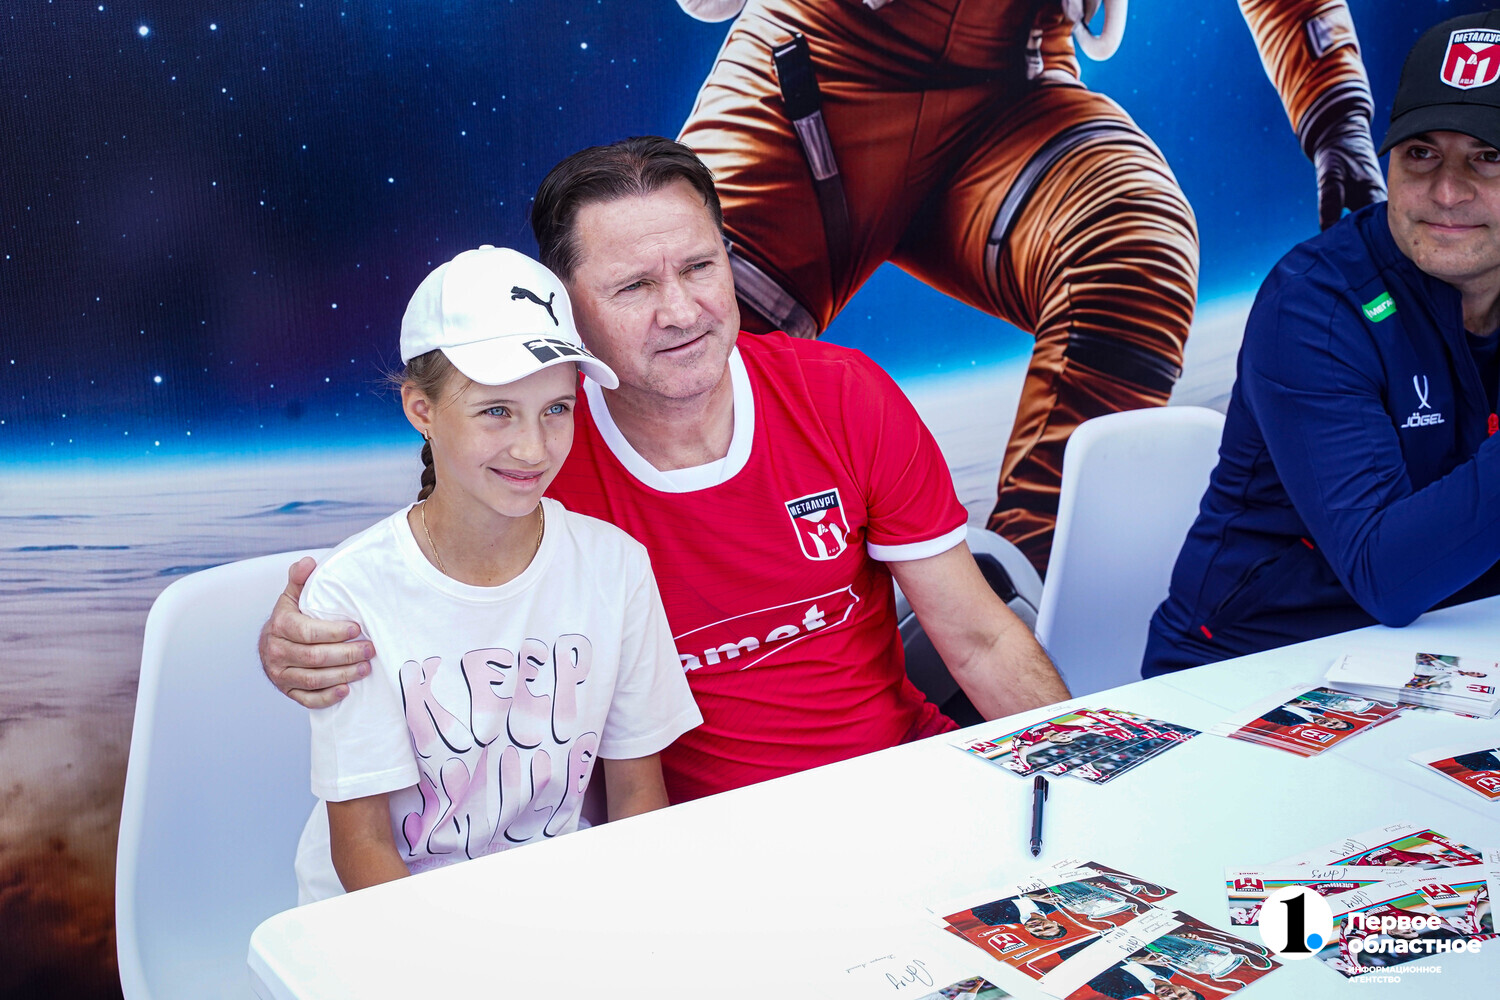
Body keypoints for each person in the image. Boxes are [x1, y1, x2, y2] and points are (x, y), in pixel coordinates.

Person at [261, 137, 1069, 804]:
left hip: (908, 784)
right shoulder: (534, 460)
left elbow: (979, 640)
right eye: (634, 286)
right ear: (565, 310)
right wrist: (301, 642)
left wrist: (1085, 779)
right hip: (696, 847)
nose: (681, 312)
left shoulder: (842, 393)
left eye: (700, 268)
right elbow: (423, 611)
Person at [674, 0, 1385, 573]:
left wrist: (1336, 118)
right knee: (683, 319)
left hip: (1008, 93)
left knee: (1129, 241)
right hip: (817, 74)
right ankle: (695, 623)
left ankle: (1026, 585)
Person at [290, 246, 701, 902]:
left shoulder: (615, 565)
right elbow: (362, 846)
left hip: (553, 903)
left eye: (556, 409)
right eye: (496, 411)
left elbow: (636, 793)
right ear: (422, 410)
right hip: (389, 920)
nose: (533, 448)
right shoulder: (352, 593)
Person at [1143, 10, 1500, 677]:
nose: (1448, 192)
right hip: (1253, 671)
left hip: (1454, 656)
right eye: (1421, 153)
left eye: (1489, 157)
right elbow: (1385, 574)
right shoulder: (1315, 305)